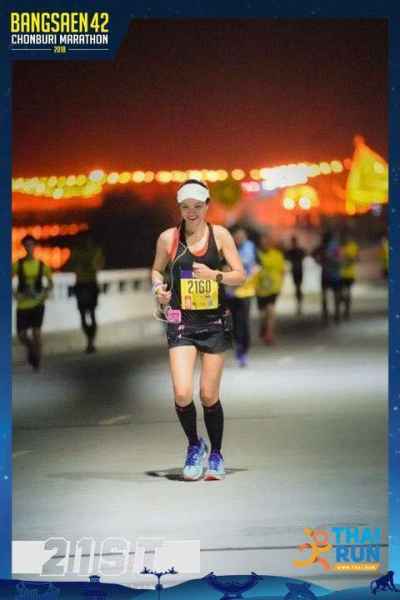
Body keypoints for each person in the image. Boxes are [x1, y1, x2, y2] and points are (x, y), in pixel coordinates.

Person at [151, 179, 245, 481]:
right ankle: (194, 445)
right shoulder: (168, 238)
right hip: (181, 321)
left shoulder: (221, 236)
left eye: (197, 206)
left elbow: (240, 275)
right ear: (179, 208)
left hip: (214, 323)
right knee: (182, 393)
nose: (191, 212)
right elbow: (157, 270)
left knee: (207, 394)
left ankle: (216, 453)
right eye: (185, 207)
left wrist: (215, 275)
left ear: (207, 205)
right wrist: (158, 289)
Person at [12, 234, 53, 371]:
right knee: (21, 335)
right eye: (27, 245)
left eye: (31, 245)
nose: (29, 247)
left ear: (35, 246)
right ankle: (32, 349)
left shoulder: (41, 265)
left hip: (38, 304)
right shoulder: (18, 264)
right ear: (24, 247)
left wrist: (45, 293)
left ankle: (37, 362)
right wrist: (15, 294)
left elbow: (50, 283)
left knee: (37, 333)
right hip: (23, 304)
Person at [67, 232, 105, 353]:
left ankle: (91, 342)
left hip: (90, 284)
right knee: (83, 315)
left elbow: (98, 266)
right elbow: (71, 266)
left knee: (91, 314)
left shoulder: (96, 251)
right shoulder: (77, 252)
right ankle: (90, 341)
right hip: (81, 284)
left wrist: (91, 265)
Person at [225, 226, 257, 367]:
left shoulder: (251, 247)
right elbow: (221, 267)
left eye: (242, 236)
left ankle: (243, 350)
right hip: (230, 293)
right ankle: (238, 347)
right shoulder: (226, 248)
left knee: (243, 322)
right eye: (237, 236)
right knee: (232, 323)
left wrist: (253, 272)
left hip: (245, 291)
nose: (240, 238)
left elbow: (257, 265)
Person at [255, 233, 286, 345]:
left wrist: (280, 284)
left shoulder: (277, 255)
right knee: (263, 314)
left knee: (271, 310)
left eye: (267, 242)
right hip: (260, 289)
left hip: (273, 289)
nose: (265, 244)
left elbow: (282, 271)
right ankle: (264, 327)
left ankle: (269, 335)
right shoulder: (256, 255)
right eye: (263, 242)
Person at [312, 230, 342, 324]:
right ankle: (336, 314)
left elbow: (313, 254)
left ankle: (325, 314)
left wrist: (319, 262)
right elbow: (340, 258)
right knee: (336, 294)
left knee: (325, 295)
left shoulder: (322, 246)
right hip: (335, 274)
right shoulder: (336, 245)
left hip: (326, 274)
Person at [339, 230, 359, 320]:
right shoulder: (339, 247)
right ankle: (344, 307)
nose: (346, 238)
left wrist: (351, 259)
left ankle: (347, 311)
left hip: (350, 274)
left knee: (348, 292)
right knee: (342, 293)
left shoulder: (353, 246)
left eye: (347, 236)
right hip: (340, 274)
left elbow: (357, 258)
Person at [285, 235, 306, 316]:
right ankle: (299, 305)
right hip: (297, 271)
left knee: (298, 288)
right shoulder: (294, 251)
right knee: (298, 288)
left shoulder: (295, 251)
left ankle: (299, 305)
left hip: (298, 271)